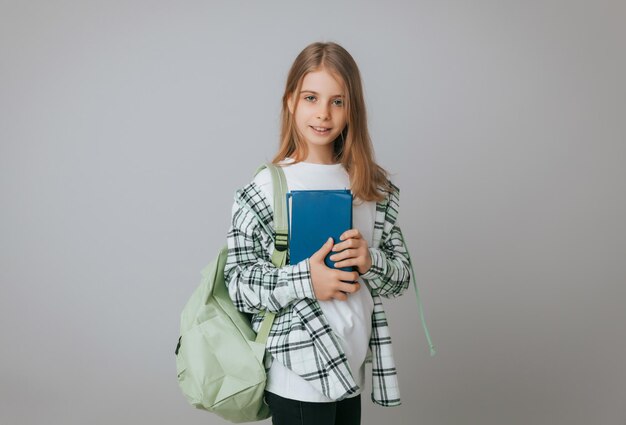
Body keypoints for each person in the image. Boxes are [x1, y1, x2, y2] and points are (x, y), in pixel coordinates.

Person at [224, 41, 431, 425]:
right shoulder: (267, 187)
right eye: (311, 98)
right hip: (297, 375)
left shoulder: (370, 187)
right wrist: (308, 280)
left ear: (353, 108)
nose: (323, 113)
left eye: (337, 101)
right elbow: (238, 284)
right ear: (290, 102)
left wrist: (370, 260)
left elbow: (400, 278)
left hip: (349, 370)